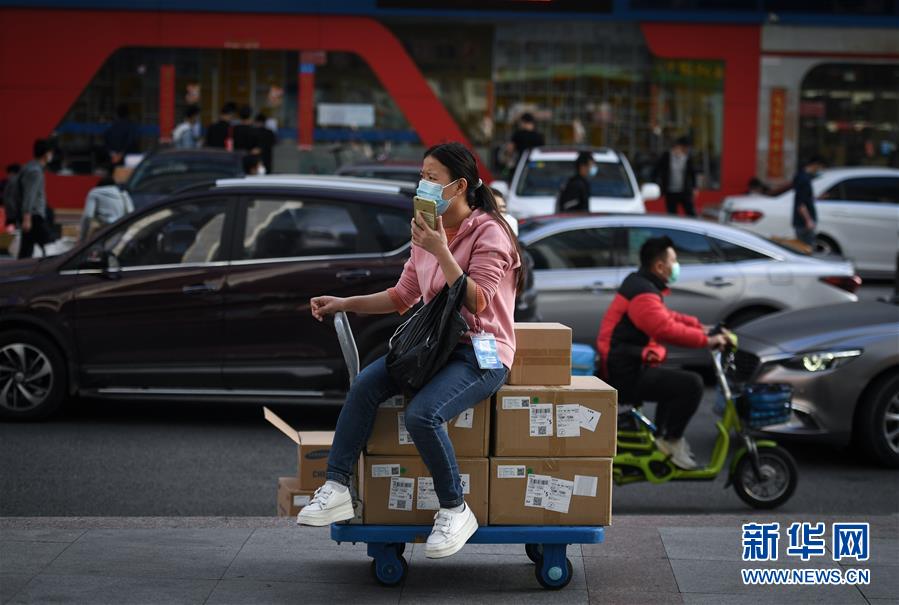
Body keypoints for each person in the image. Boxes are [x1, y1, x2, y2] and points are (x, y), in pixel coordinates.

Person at [298, 142, 522, 560]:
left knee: (423, 415)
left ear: (459, 186)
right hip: (432, 346)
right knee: (365, 385)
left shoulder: (490, 232)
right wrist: (343, 303)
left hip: (481, 351)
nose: (423, 185)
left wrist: (440, 249)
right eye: (422, 176)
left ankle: (455, 509)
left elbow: (478, 301)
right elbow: (402, 296)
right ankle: (337, 486)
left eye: (432, 178)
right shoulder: (425, 228)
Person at [597, 236, 729, 469]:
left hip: (627, 362)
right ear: (659, 266)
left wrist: (702, 328)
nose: (676, 265)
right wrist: (707, 341)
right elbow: (665, 329)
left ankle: (663, 437)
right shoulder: (643, 294)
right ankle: (669, 441)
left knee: (675, 382)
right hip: (624, 371)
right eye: (674, 261)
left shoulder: (641, 284)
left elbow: (667, 317)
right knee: (691, 384)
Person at [17, 139, 54, 259]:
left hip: (31, 216)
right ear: (46, 154)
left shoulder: (30, 167)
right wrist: (27, 218)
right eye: (51, 153)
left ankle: (19, 269)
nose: (51, 156)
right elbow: (29, 195)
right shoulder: (35, 171)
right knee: (51, 246)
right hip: (34, 216)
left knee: (26, 250)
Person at [653, 136, 698, 217]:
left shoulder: (686, 158)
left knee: (690, 212)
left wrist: (694, 187)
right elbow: (656, 170)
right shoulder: (666, 156)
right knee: (672, 214)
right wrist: (655, 183)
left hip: (684, 191)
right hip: (670, 191)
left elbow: (692, 173)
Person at [79, 176, 134, 241]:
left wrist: (83, 237)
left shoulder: (94, 192)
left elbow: (88, 216)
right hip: (121, 228)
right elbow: (131, 212)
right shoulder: (123, 193)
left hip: (106, 229)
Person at [792, 156, 824, 247]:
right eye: (819, 167)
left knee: (802, 247)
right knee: (806, 248)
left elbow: (805, 198)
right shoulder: (804, 180)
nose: (819, 170)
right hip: (803, 222)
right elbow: (801, 203)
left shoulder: (800, 176)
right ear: (815, 165)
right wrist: (808, 220)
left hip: (801, 221)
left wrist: (816, 198)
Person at [3, 164, 21, 228]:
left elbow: (10, 198)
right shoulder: (16, 181)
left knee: (10, 230)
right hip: (14, 213)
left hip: (12, 213)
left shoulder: (13, 182)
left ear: (12, 173)